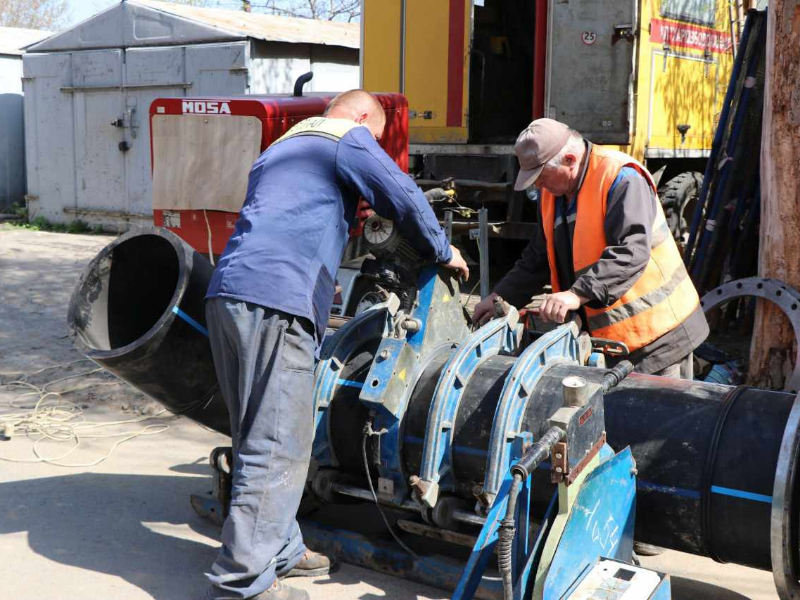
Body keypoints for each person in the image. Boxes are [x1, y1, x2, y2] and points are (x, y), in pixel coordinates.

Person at [203, 90, 469, 600]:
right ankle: (242, 585)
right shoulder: (348, 137)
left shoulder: (281, 147)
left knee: (256, 432)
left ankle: (281, 548)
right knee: (278, 444)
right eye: (376, 134)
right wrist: (443, 248)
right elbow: (404, 196)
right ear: (364, 117)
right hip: (277, 301)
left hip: (229, 293)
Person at [473, 118, 708, 379]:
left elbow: (630, 251)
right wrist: (499, 297)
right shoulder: (553, 193)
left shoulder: (622, 177)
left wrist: (576, 294)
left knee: (660, 417)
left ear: (570, 160)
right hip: (613, 344)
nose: (538, 185)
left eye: (542, 176)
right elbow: (537, 259)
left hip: (661, 336)